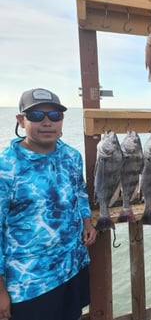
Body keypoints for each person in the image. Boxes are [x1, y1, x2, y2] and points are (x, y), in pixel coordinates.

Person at [0, 88, 97, 320]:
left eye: (54, 116)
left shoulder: (72, 156)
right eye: (36, 116)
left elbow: (79, 191)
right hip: (30, 284)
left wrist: (86, 220)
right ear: (21, 121)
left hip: (72, 267)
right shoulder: (6, 167)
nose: (47, 122)